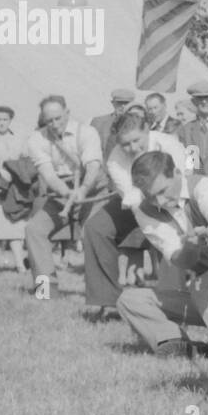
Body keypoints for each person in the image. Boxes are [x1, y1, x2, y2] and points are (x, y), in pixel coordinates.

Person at [116, 149, 208, 364]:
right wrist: (190, 247)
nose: (160, 200)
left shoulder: (202, 184)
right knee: (129, 300)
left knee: (204, 286)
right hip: (207, 298)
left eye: (163, 190)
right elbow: (180, 259)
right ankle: (178, 345)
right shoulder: (144, 210)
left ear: (177, 173)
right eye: (151, 196)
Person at [83, 109, 186, 317]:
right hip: (136, 202)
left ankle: (175, 299)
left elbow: (182, 179)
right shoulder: (114, 159)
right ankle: (108, 300)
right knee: (95, 228)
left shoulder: (170, 144)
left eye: (136, 141)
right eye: (125, 144)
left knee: (171, 238)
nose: (132, 148)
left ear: (147, 129)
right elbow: (132, 197)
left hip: (172, 197)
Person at [25, 96, 104, 296]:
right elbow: (49, 175)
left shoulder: (87, 132)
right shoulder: (36, 139)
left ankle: (98, 292)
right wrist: (67, 192)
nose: (54, 124)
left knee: (94, 234)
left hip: (92, 189)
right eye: (49, 120)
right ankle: (45, 290)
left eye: (58, 118)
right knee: (34, 230)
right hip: (61, 191)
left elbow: (94, 167)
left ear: (67, 113)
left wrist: (83, 190)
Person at [0, 106, 29, 275]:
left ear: (10, 121)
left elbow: (25, 159)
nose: (1, 123)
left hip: (13, 187)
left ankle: (20, 264)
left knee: (14, 226)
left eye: (5, 119)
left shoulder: (18, 140)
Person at [176, 79, 208, 174]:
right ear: (193, 101)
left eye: (207, 97)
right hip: (199, 182)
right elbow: (191, 163)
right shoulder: (187, 130)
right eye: (200, 98)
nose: (204, 102)